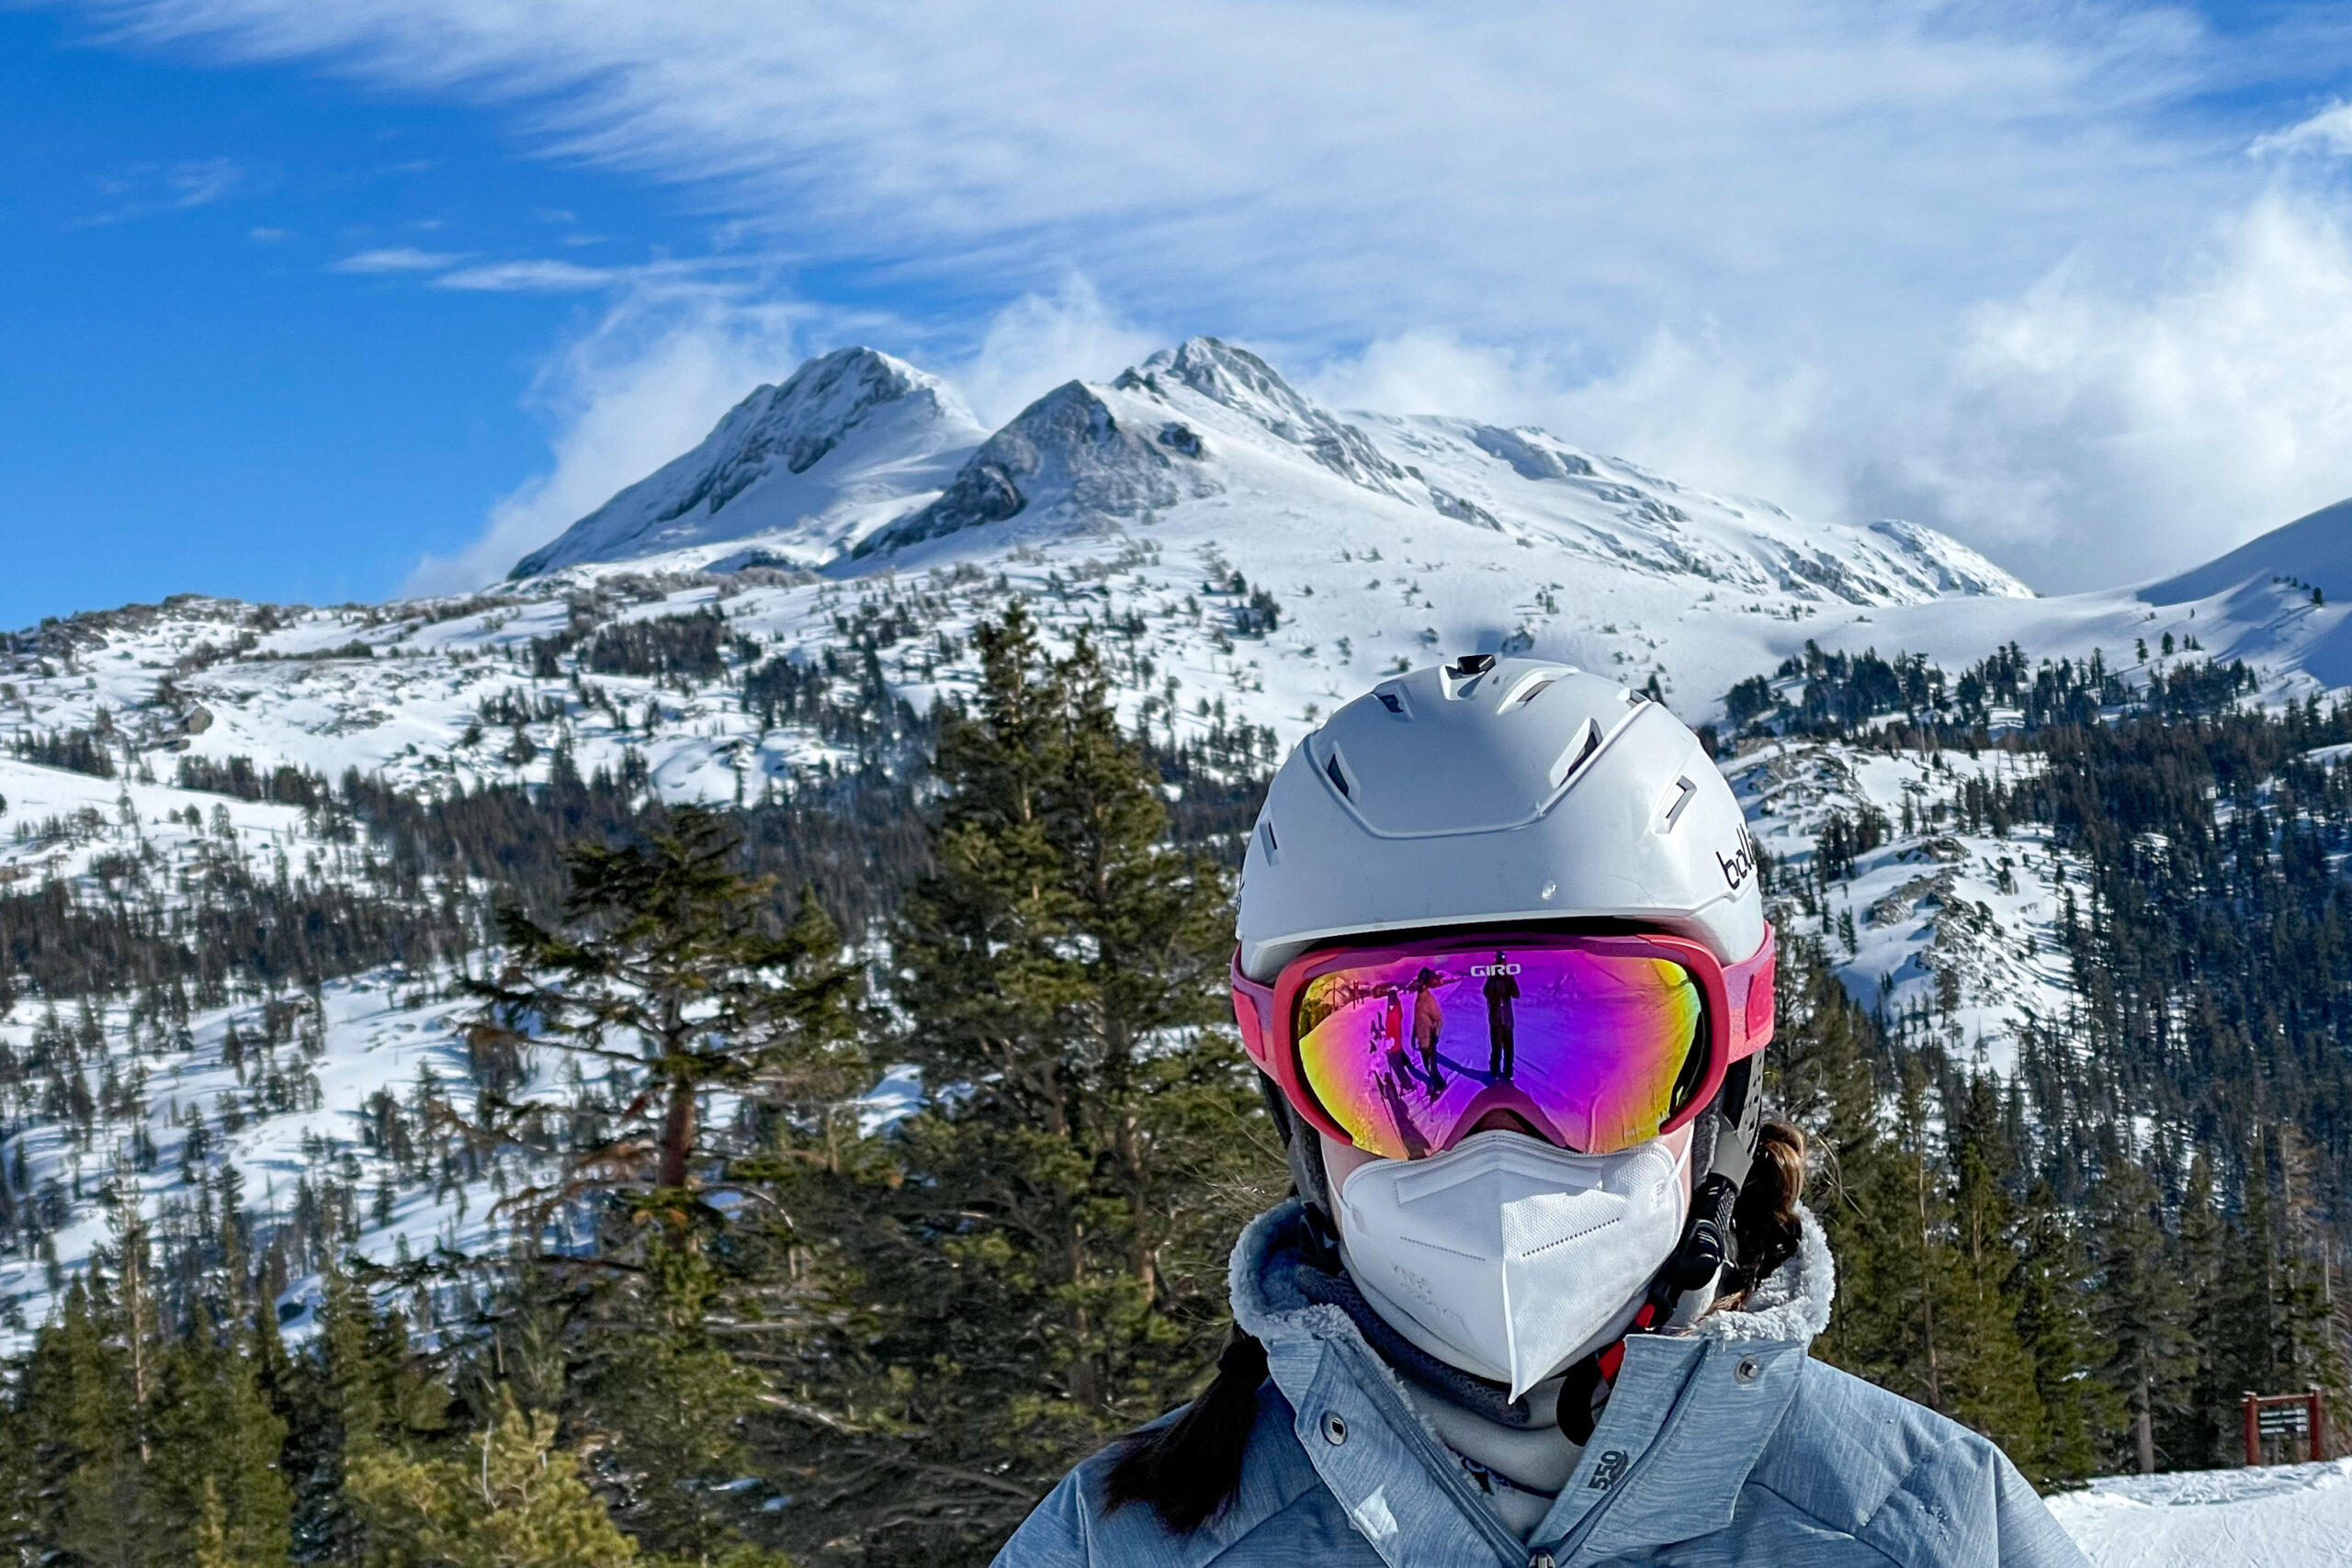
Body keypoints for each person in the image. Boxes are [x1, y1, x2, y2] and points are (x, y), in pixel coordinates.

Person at [992, 654, 2089, 1568]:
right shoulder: (1116, 1546)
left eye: (1593, 1051)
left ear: (1725, 1086)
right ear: (1292, 1102)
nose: (1499, 1147)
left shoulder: (1930, 1527)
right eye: (1402, 1063)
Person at [1483, 951, 1520, 1079]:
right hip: (1496, 1020)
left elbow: (1516, 994)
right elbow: (1486, 991)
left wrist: (1510, 978)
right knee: (1497, 1047)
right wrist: (1495, 995)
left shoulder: (1508, 977)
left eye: (1503, 963)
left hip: (1507, 1020)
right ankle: (1494, 1072)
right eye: (1500, 963)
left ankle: (1508, 1072)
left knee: (1509, 1048)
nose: (1502, 966)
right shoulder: (1492, 977)